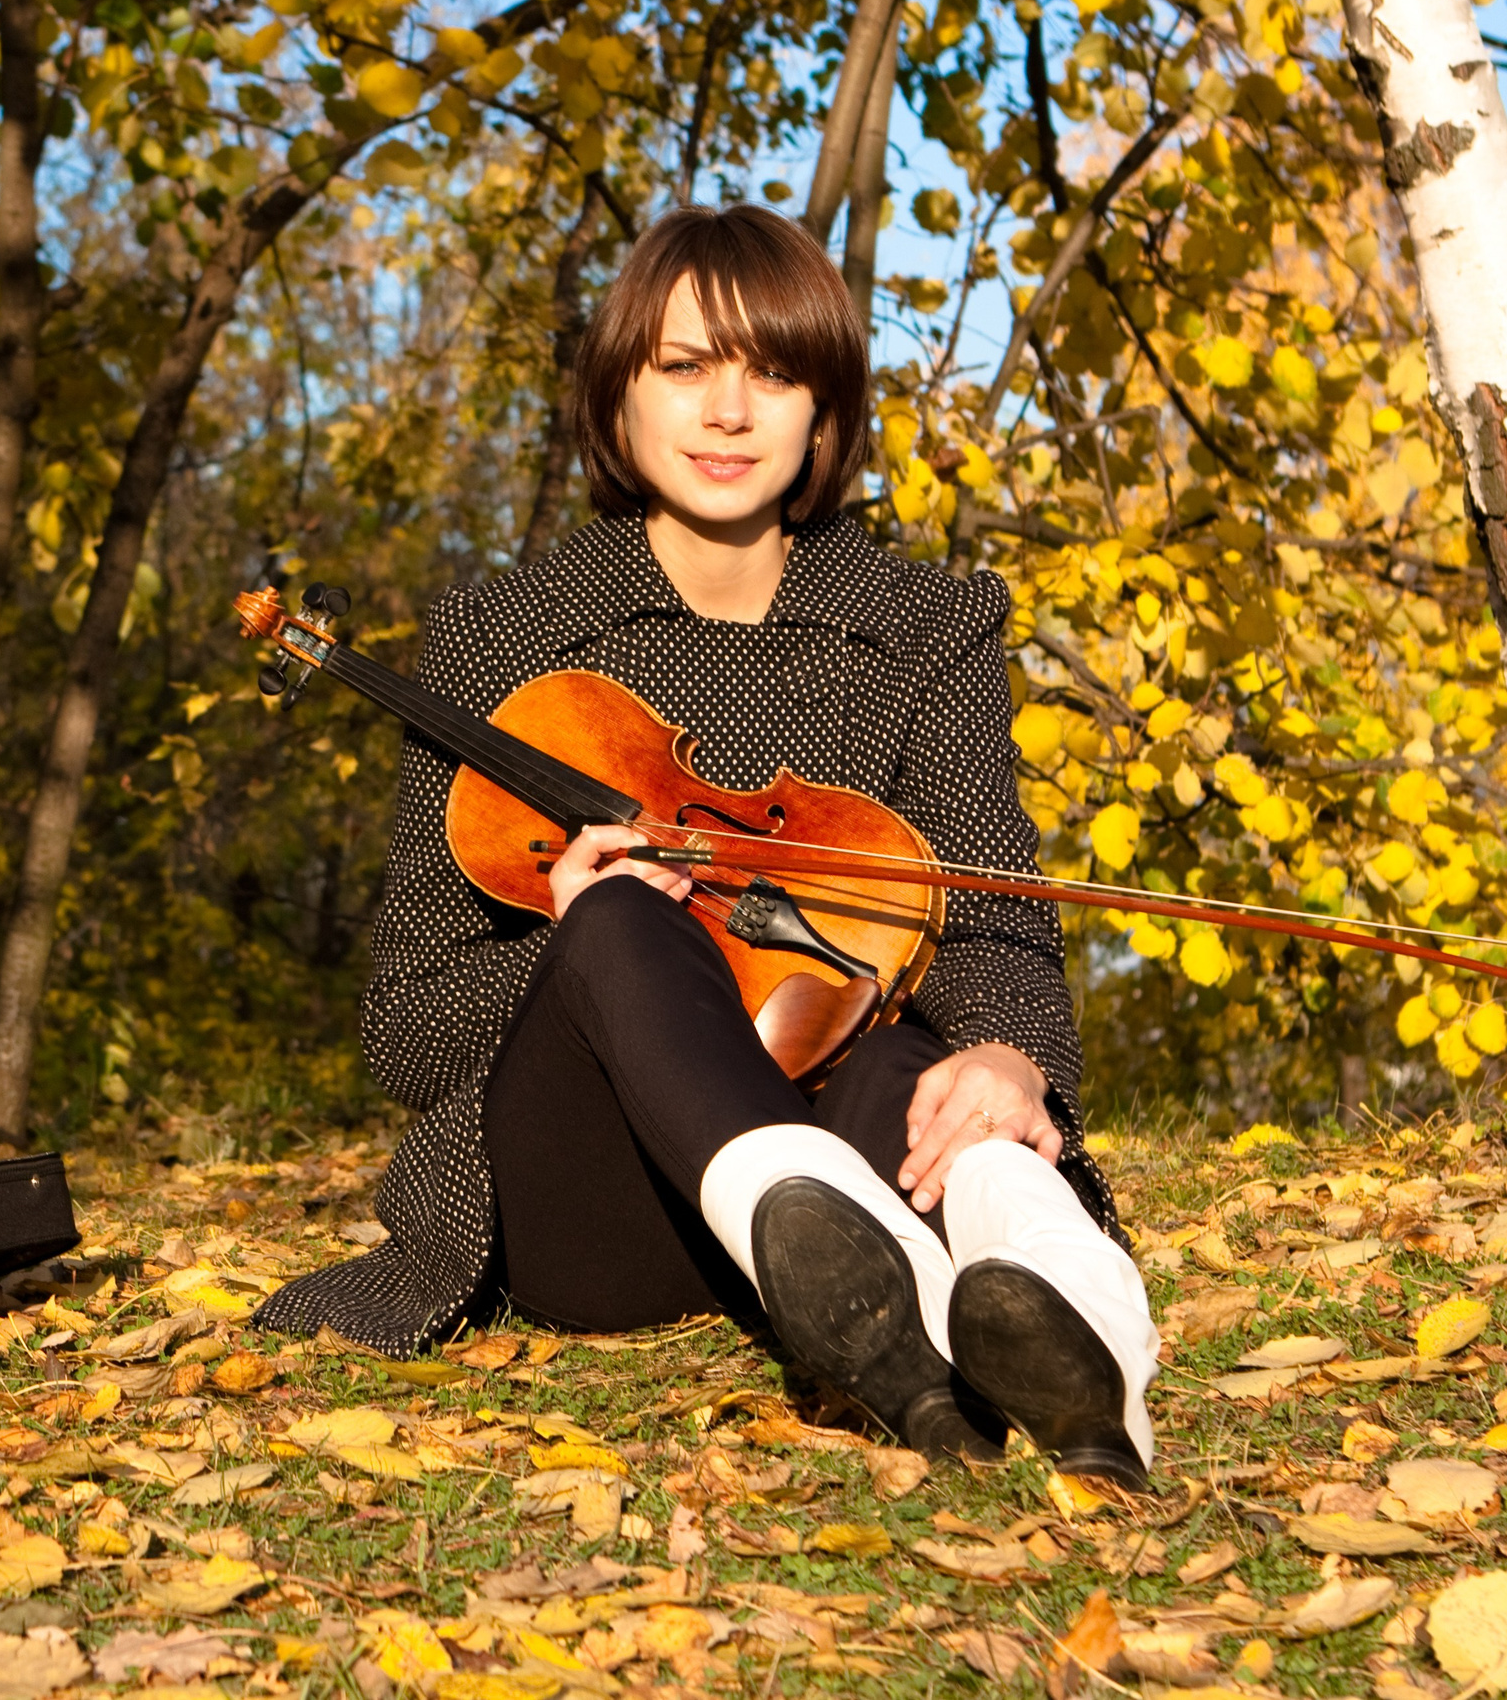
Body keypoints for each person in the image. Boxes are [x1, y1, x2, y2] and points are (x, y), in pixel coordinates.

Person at [253, 204, 1159, 1488]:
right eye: (684, 367)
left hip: (862, 1133)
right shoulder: (503, 640)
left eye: (773, 374)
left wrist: (1011, 1059)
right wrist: (570, 938)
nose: (728, 413)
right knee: (625, 916)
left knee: (900, 1032)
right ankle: (846, 1233)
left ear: (824, 411)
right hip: (604, 1207)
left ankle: (1057, 1305)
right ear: (617, 393)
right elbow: (408, 1034)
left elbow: (991, 912)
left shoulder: (920, 626)